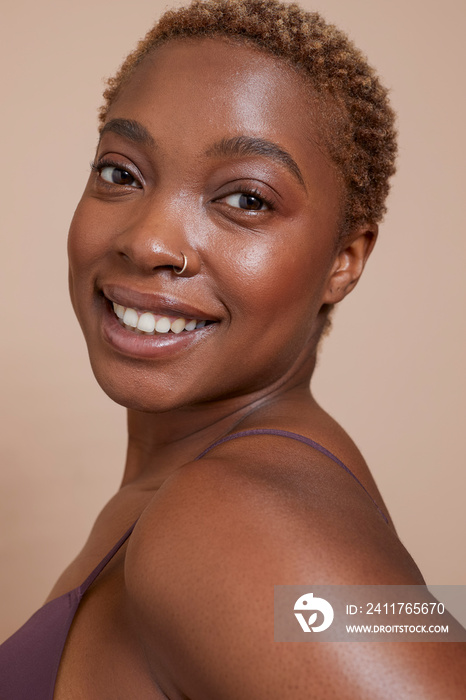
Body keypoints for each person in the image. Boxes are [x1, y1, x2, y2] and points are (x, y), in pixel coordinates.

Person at [0, 0, 464, 697]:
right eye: (122, 172)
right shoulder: (214, 490)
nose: (149, 240)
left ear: (345, 259)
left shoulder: (230, 519)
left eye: (245, 199)